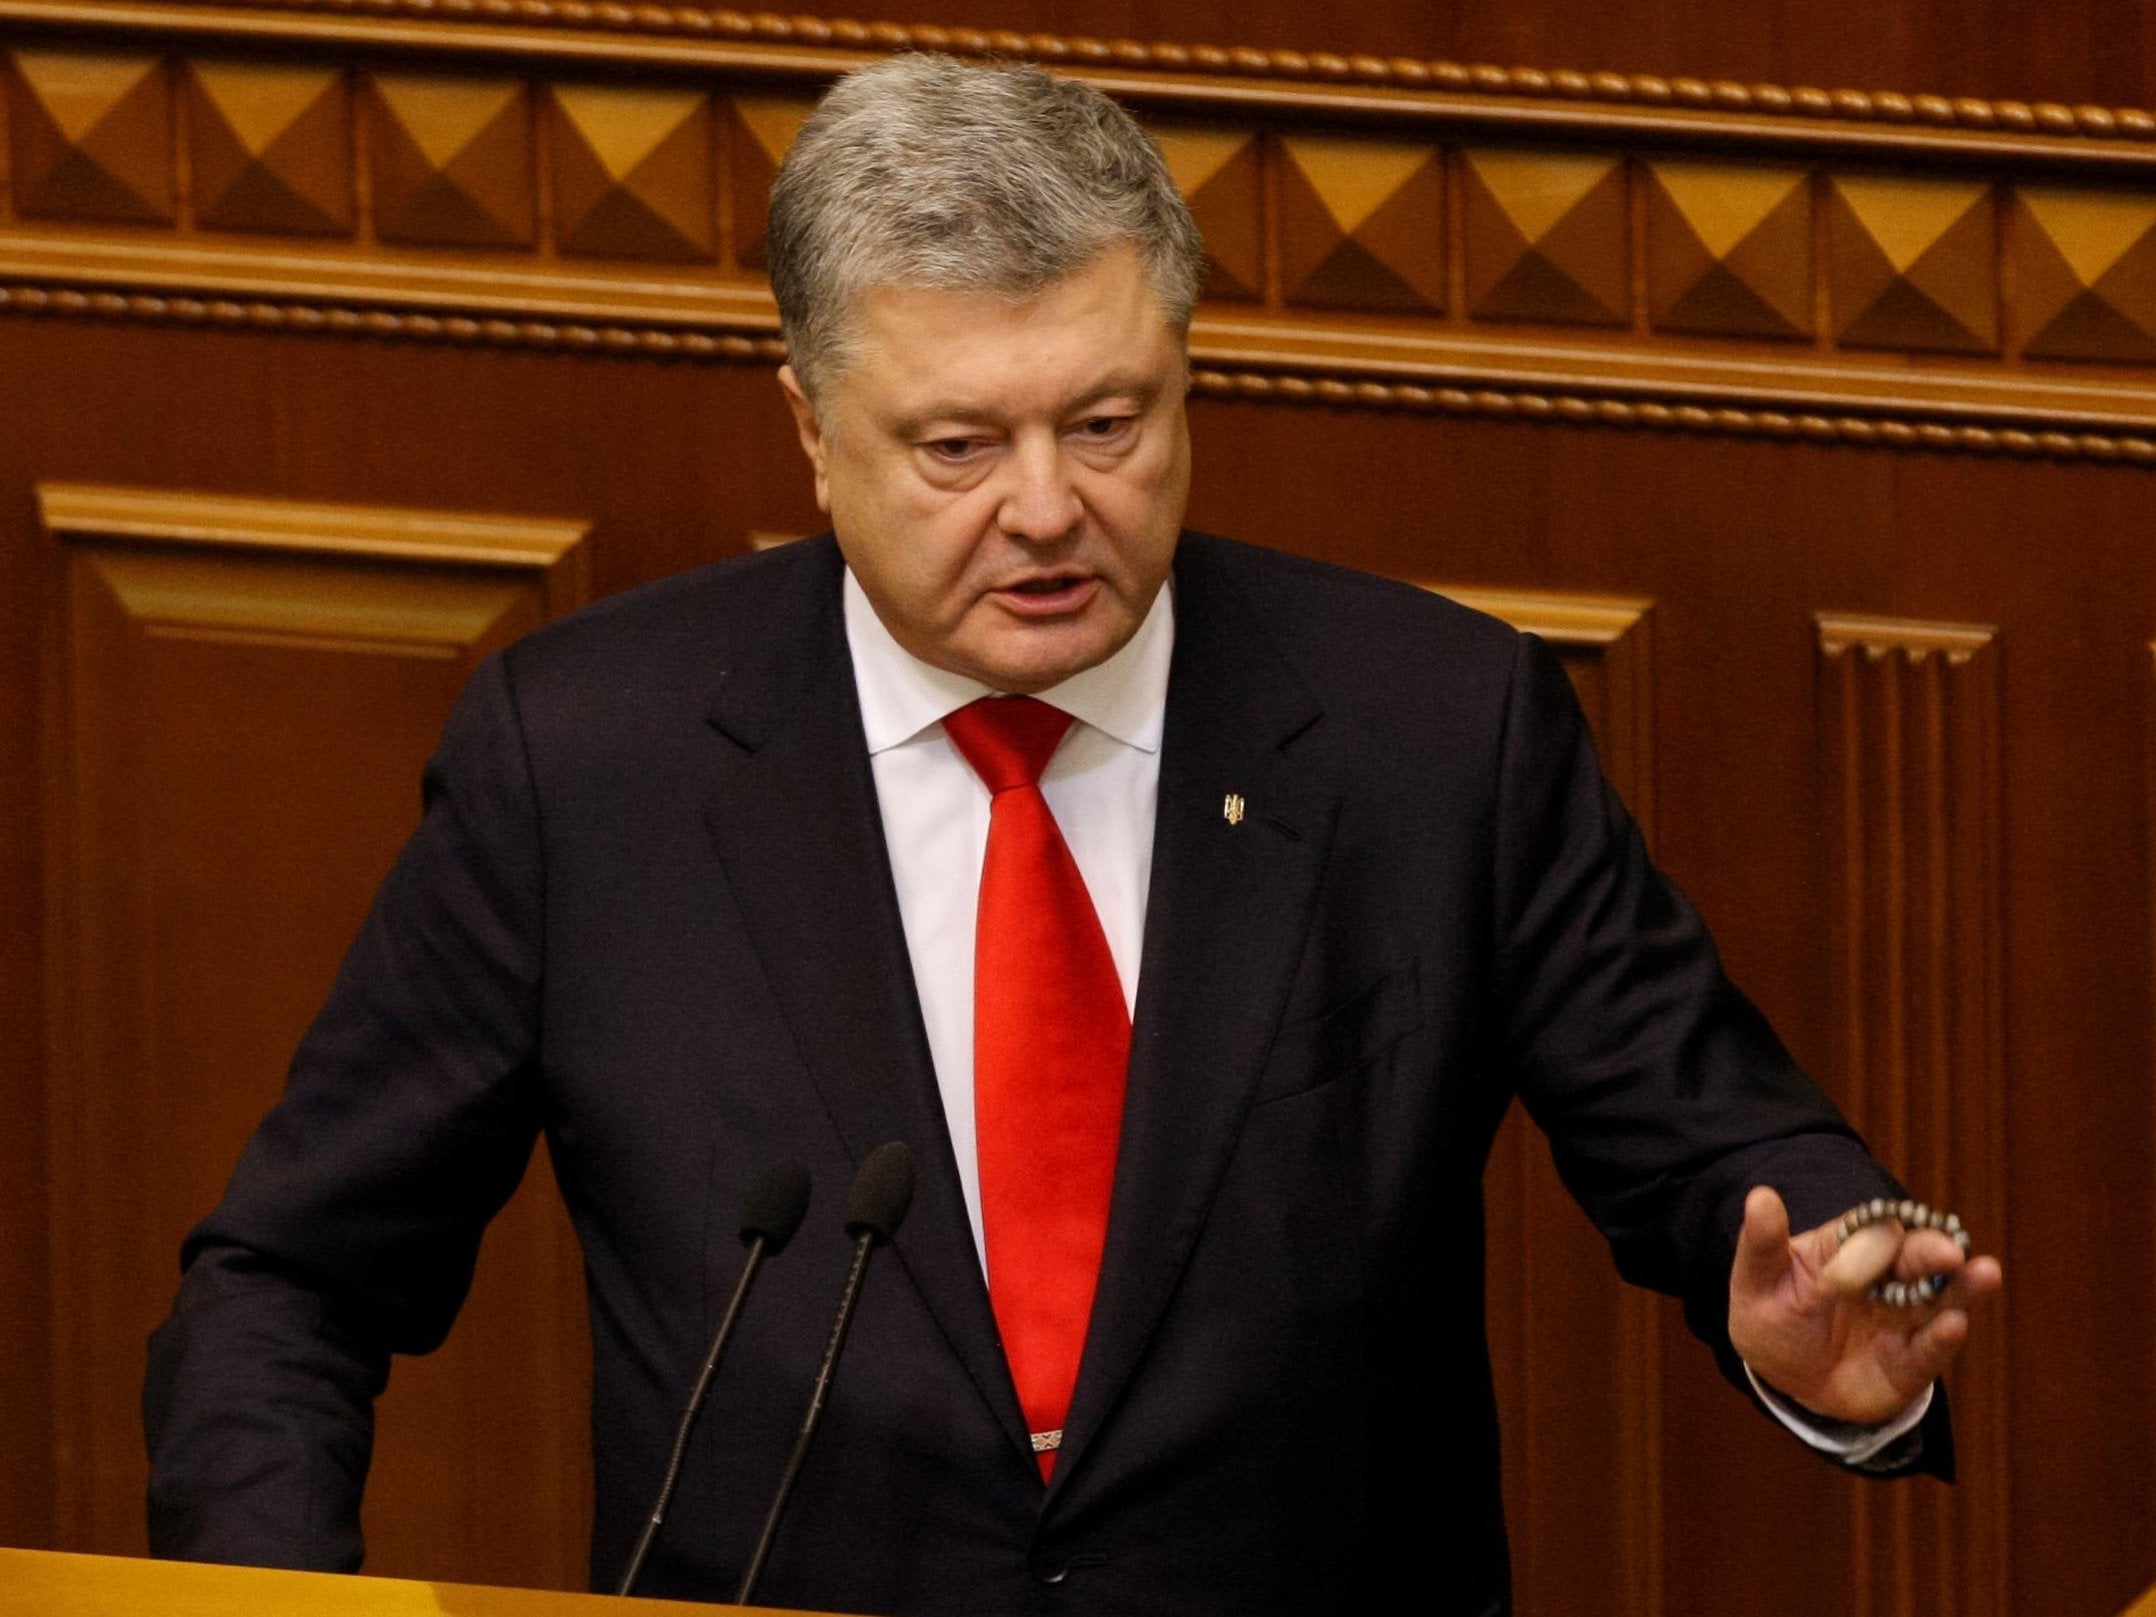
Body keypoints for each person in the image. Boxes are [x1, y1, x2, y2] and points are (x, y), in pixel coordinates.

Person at [144, 53, 2001, 1617]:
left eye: (1110, 422)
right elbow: (288, 1283)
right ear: (808, 425)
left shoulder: (1436, 728)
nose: (1051, 512)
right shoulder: (588, 760)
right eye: (959, 448)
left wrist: (1822, 1324)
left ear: (1189, 375)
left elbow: (1729, 1147)